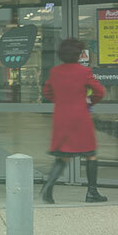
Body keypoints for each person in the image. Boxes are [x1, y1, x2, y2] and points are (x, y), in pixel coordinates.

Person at [40, 37, 108, 203]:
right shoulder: (84, 72)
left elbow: (47, 91)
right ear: (78, 55)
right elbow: (99, 91)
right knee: (90, 154)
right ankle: (92, 192)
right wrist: (89, 102)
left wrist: (60, 101)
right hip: (80, 118)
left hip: (61, 118)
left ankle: (49, 185)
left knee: (63, 155)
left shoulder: (55, 72)